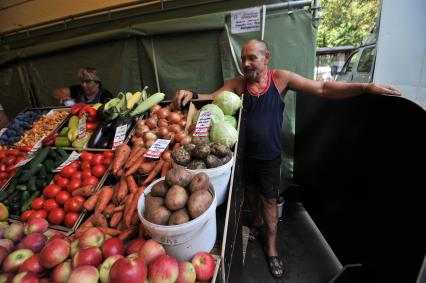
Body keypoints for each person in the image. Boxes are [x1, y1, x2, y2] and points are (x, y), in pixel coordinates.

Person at [172, 38, 401, 279]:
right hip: (243, 157)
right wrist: (192, 93)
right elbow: (212, 96)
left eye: (252, 58)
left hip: (269, 157)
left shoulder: (281, 79)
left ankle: (271, 250)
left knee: (270, 202)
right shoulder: (239, 85)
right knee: (250, 195)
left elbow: (322, 88)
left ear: (266, 57)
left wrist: (365, 88)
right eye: (243, 59)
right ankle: (257, 225)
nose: (246, 63)